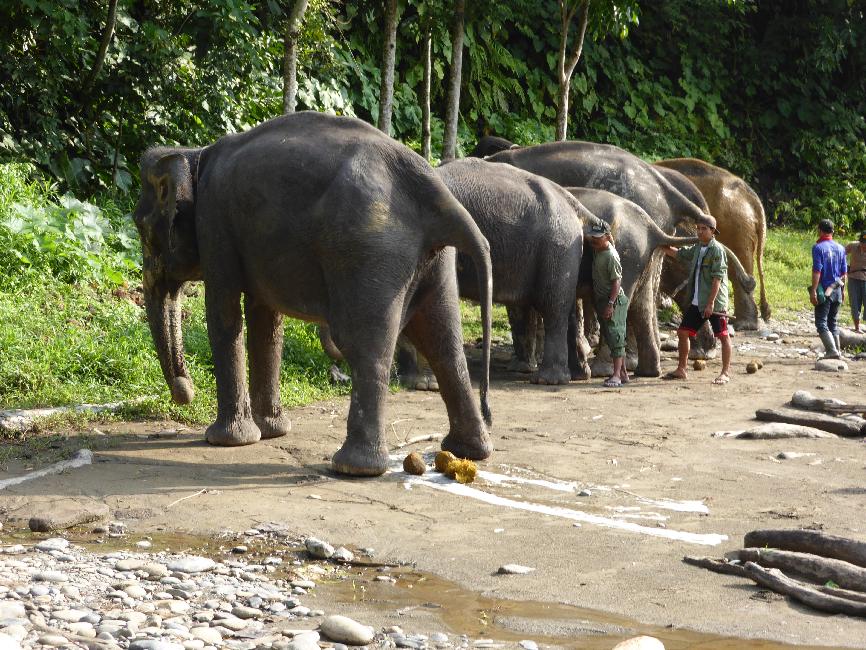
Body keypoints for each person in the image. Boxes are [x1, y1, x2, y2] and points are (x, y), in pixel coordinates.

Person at [661, 216, 732, 385]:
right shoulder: (699, 247)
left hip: (715, 303)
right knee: (683, 332)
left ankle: (725, 373)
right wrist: (662, 246)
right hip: (697, 301)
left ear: (712, 231)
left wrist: (710, 303)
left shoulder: (717, 251)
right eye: (698, 228)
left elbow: (717, 279)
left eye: (703, 229)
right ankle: (681, 369)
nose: (700, 232)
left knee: (722, 336)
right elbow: (681, 254)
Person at [588, 221, 629, 388]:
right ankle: (624, 374)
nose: (594, 240)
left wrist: (611, 304)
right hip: (604, 300)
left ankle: (617, 375)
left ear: (606, 236)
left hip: (614, 301)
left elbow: (616, 281)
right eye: (593, 237)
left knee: (616, 337)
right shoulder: (599, 250)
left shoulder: (611, 255)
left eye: (598, 237)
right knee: (612, 338)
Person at [810, 219, 847, 358]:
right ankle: (837, 352)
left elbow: (817, 271)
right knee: (833, 322)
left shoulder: (818, 248)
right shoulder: (841, 248)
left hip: (825, 290)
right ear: (832, 232)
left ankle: (831, 351)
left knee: (821, 322)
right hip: (837, 289)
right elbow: (844, 274)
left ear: (820, 231)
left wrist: (813, 290)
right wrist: (843, 292)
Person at [844, 231, 866, 333]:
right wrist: (844, 267)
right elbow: (841, 253)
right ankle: (857, 327)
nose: (864, 245)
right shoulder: (853, 245)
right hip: (853, 277)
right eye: (863, 243)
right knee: (855, 303)